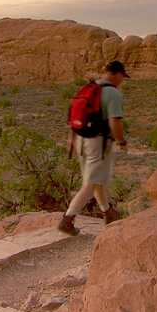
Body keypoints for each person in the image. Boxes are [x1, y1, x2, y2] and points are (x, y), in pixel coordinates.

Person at [58, 60, 129, 235]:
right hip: (98, 142)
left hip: (81, 140)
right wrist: (122, 141)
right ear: (119, 75)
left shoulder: (88, 88)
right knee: (90, 183)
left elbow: (75, 116)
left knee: (96, 179)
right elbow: (114, 121)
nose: (122, 81)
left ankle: (108, 213)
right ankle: (67, 219)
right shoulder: (113, 93)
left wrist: (72, 141)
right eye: (122, 78)